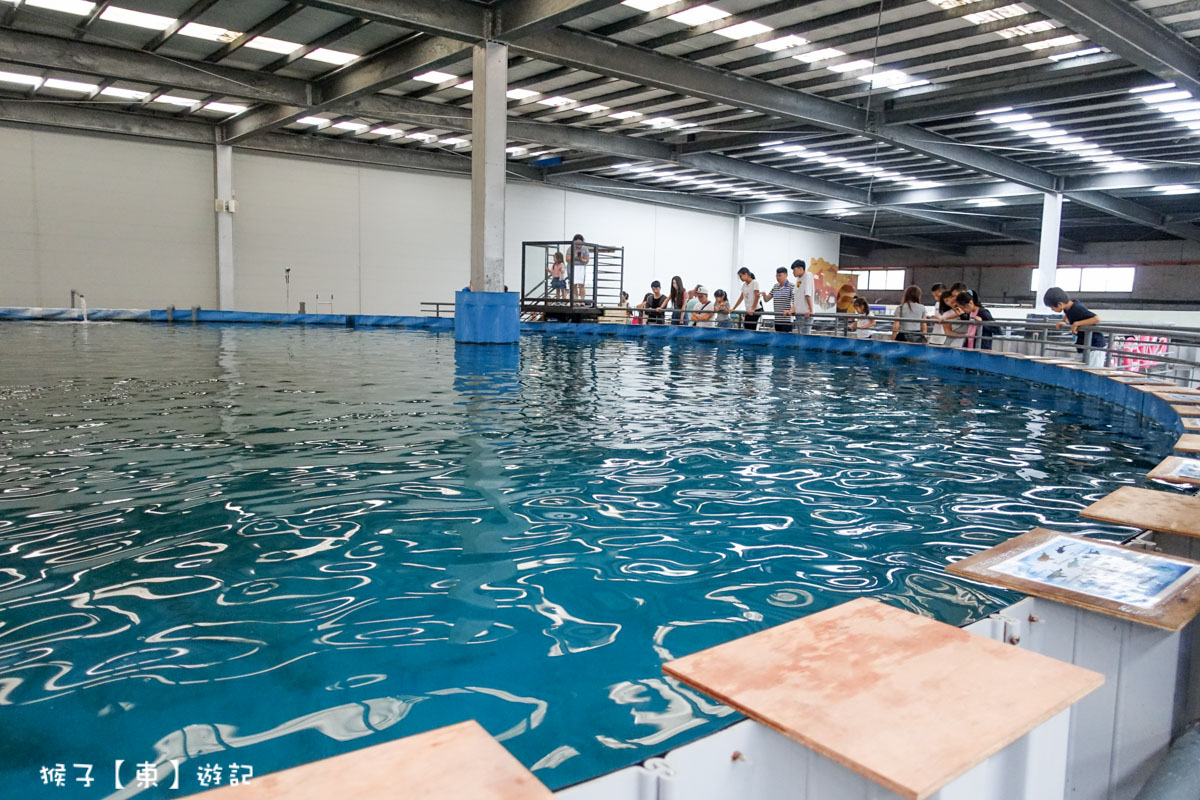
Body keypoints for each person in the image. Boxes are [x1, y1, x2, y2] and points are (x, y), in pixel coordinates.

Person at [1044, 286, 1106, 366]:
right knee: (1077, 369)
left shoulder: (1077, 308)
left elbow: (1096, 319)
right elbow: (1067, 313)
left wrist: (1077, 323)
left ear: (1060, 304)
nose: (1052, 310)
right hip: (1083, 344)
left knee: (1091, 372)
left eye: (1052, 308)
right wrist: (1064, 321)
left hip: (1094, 345)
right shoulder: (1068, 307)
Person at [762, 267, 794, 333]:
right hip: (777, 319)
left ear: (786, 275)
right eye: (777, 276)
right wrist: (764, 295)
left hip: (787, 319)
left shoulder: (791, 286)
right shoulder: (775, 286)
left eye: (780, 275)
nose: (778, 277)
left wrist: (790, 311)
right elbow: (766, 299)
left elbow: (795, 301)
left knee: (786, 339)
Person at [790, 259, 815, 335]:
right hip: (799, 313)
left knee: (805, 336)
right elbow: (796, 294)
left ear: (801, 269)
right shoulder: (798, 279)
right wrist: (793, 309)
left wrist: (811, 310)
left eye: (794, 270)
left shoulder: (808, 275)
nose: (793, 272)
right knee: (800, 336)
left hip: (806, 313)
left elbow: (807, 294)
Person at [570, 233, 590, 302]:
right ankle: (576, 300)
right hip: (573, 268)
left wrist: (581, 259)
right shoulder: (571, 248)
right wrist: (574, 257)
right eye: (577, 242)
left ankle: (582, 300)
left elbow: (587, 260)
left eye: (580, 243)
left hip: (581, 268)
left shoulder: (585, 249)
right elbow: (567, 259)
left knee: (581, 285)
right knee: (574, 285)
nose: (578, 244)